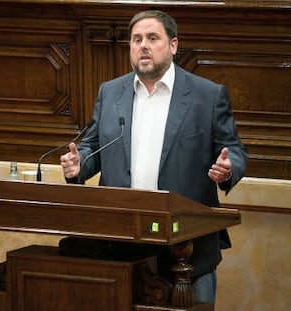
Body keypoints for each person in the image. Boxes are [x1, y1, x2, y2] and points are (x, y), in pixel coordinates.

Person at [60, 10, 248, 304]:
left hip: (187, 248)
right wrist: (78, 164)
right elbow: (92, 146)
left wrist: (228, 168)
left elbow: (235, 151)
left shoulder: (207, 95)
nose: (143, 46)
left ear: (173, 45)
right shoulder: (110, 92)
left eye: (152, 38)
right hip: (122, 243)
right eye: (136, 40)